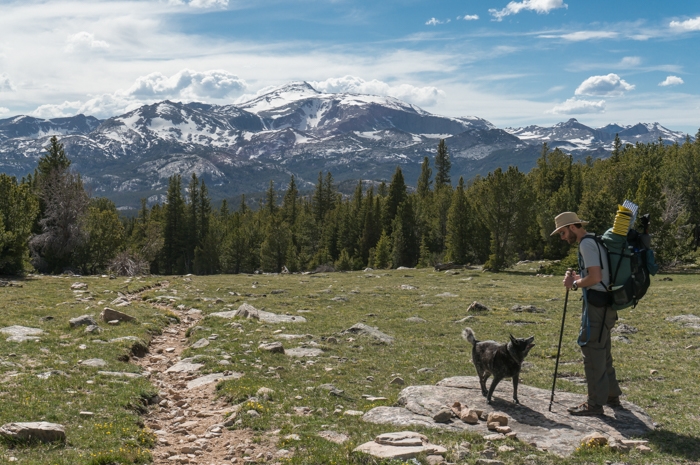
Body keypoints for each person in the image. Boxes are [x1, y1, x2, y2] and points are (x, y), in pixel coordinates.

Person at [551, 212, 622, 416]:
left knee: (591, 350)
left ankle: (594, 404)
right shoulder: (595, 240)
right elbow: (598, 274)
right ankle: (610, 394)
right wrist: (579, 278)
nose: (562, 237)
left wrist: (574, 283)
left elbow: (596, 277)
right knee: (602, 350)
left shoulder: (585, 244)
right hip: (606, 304)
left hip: (597, 305)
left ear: (573, 227)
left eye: (563, 232)